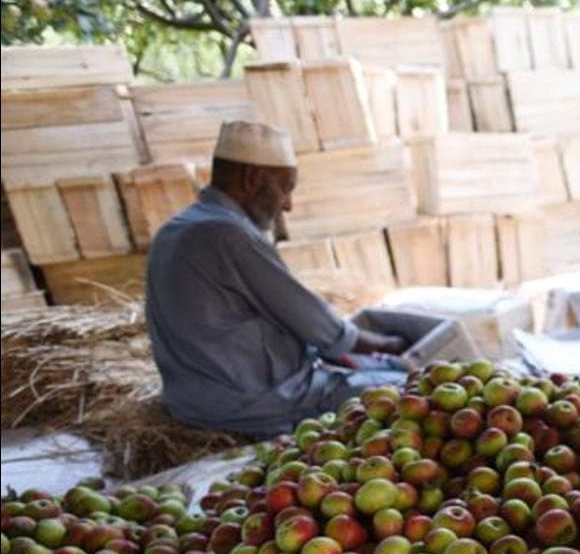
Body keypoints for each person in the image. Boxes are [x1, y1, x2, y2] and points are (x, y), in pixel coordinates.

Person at [145, 120, 409, 438]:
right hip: (253, 403)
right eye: (286, 188)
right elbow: (313, 323)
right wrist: (387, 345)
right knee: (406, 385)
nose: (288, 205)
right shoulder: (225, 233)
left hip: (194, 399)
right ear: (253, 178)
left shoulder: (178, 227)